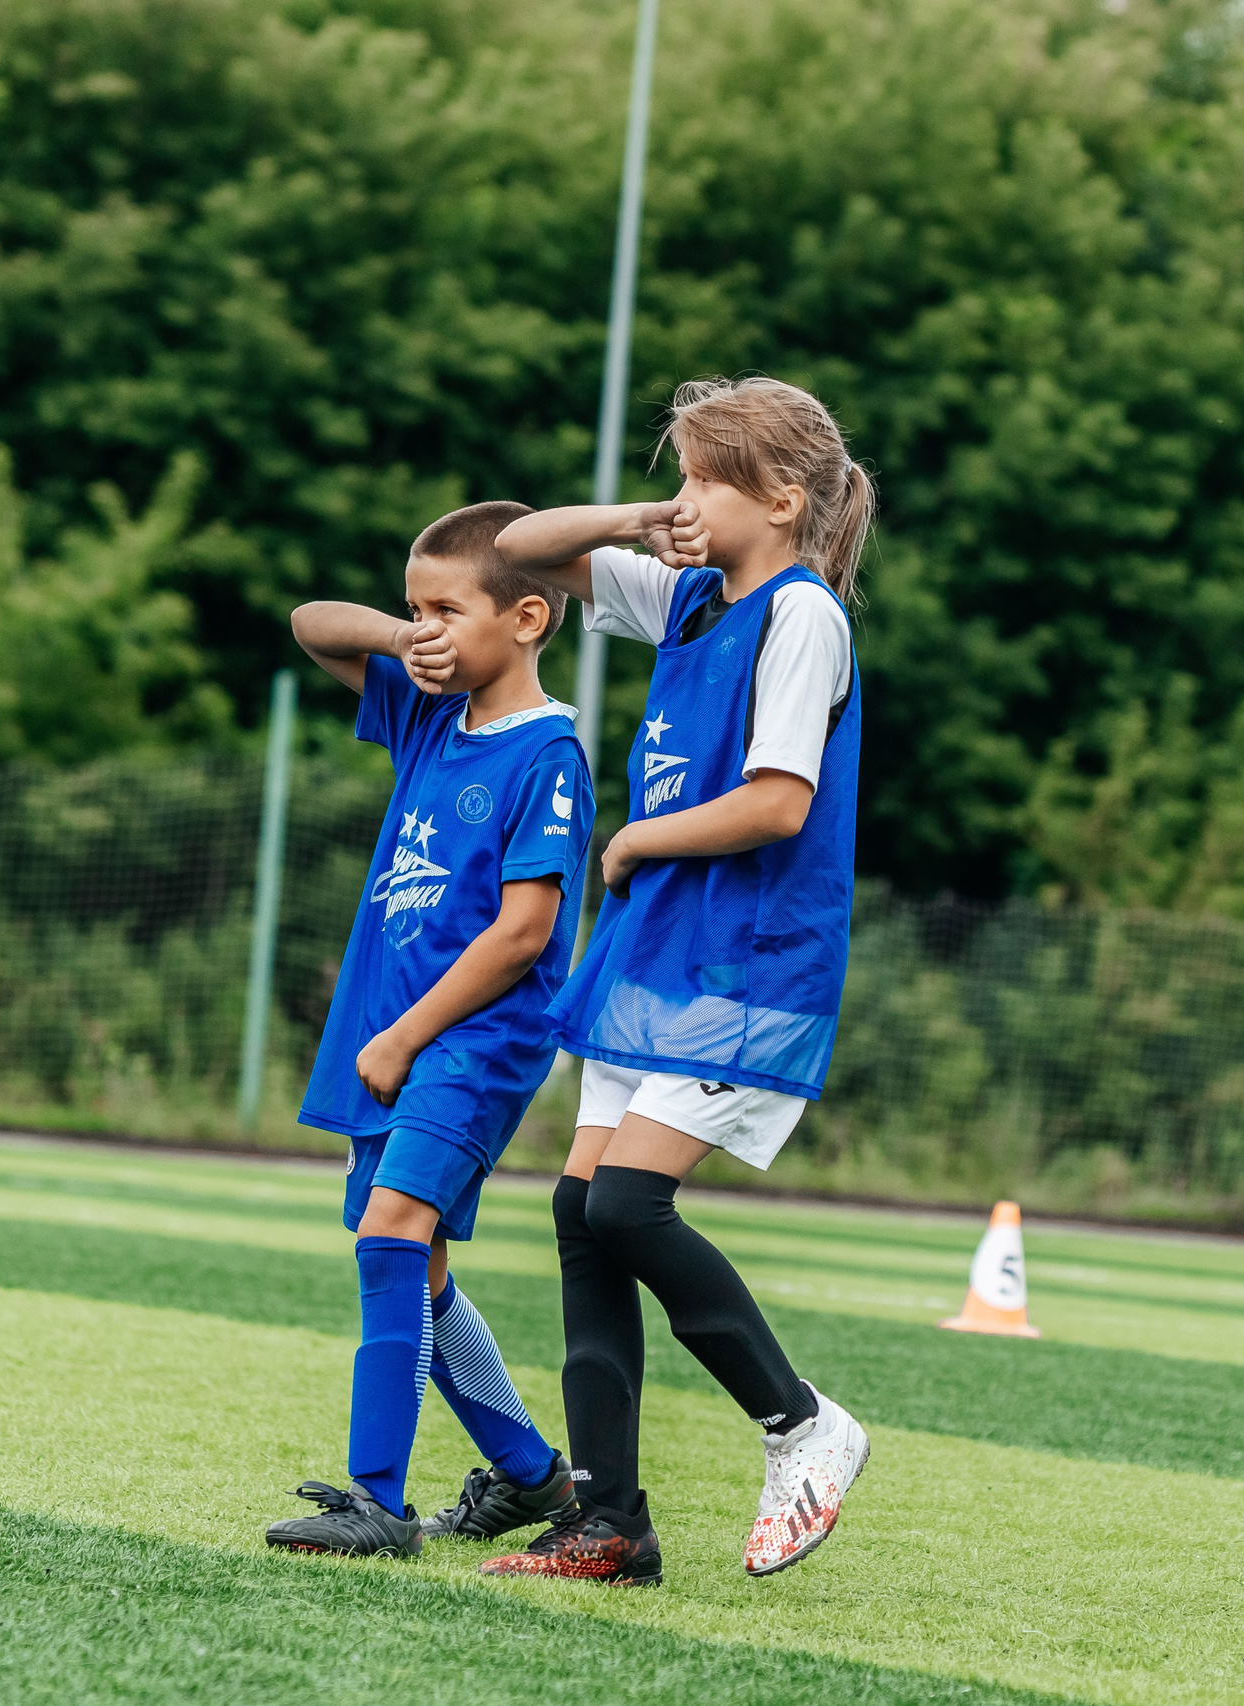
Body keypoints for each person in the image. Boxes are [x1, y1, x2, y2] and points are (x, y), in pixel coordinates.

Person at [478, 376, 874, 1587]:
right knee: (579, 1212)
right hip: (657, 953)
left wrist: (644, 837)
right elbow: (513, 547)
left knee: (626, 1207)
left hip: (742, 959)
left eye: (705, 477)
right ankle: (608, 1523)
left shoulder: (802, 614)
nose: (685, 496)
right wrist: (634, 519)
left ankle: (803, 1421)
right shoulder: (693, 597)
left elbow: (778, 800)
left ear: (782, 497)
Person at [264, 500, 595, 1563]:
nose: (428, 628)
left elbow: (523, 930)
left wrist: (406, 1034)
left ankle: (376, 1501)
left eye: (448, 607)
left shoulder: (549, 752)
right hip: (391, 1035)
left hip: (471, 1042)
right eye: (416, 608)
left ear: (530, 616)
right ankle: (535, 1474)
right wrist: (403, 635)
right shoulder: (425, 711)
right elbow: (312, 621)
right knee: (420, 1262)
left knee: (392, 1232)